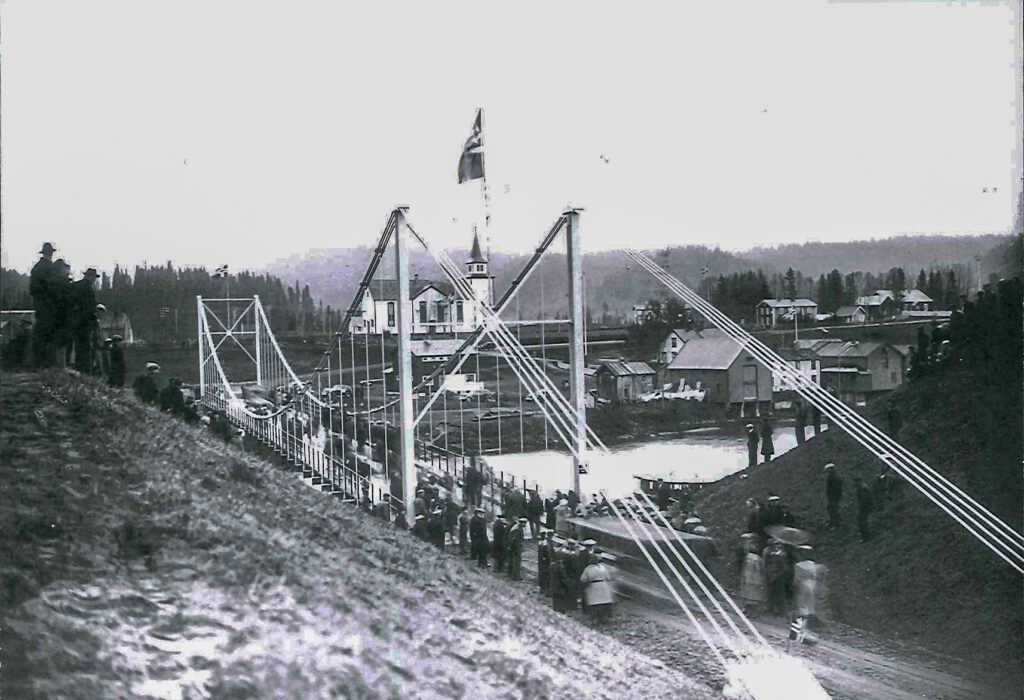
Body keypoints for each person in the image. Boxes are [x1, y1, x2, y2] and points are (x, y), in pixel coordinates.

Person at [30, 242, 57, 368]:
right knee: (50, 335)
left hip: (39, 305)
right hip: (50, 306)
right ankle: (47, 364)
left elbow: (32, 289)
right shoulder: (51, 268)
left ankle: (38, 363)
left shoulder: (36, 268)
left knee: (40, 334)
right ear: (51, 253)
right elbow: (54, 288)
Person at [71, 268, 100, 373]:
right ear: (88, 277)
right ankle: (84, 369)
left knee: (79, 346)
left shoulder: (76, 285)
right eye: (93, 277)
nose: (93, 280)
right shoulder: (88, 289)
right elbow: (88, 308)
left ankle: (80, 366)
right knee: (85, 346)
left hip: (76, 321)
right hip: (85, 322)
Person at [580, 550, 615, 621]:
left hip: (593, 586)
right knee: (604, 601)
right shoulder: (603, 568)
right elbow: (608, 578)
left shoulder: (588, 569)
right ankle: (605, 617)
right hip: (603, 585)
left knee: (595, 602)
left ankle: (595, 617)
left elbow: (583, 579)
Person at [738, 533, 766, 614]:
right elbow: (761, 569)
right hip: (754, 577)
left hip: (750, 577)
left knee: (750, 593)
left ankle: (750, 610)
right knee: (752, 593)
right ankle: (750, 610)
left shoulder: (750, 558)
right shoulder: (757, 559)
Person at [763, 539, 791, 616]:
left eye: (779, 544)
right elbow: (766, 561)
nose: (778, 546)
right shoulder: (769, 552)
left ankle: (780, 610)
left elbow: (784, 565)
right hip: (771, 573)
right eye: (776, 544)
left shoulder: (783, 553)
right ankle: (770, 608)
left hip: (780, 575)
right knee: (770, 592)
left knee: (780, 593)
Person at [549, 544, 573, 612]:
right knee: (561, 604)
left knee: (555, 603)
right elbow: (563, 579)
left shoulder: (552, 565)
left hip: (553, 587)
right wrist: (568, 583)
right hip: (561, 588)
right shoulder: (561, 567)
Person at [855, 478, 874, 543]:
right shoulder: (863, 487)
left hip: (865, 508)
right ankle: (865, 536)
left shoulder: (862, 489)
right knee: (863, 522)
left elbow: (864, 500)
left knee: (862, 522)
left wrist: (861, 508)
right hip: (866, 507)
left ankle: (865, 537)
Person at [825, 463, 842, 528]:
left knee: (833, 510)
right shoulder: (833, 476)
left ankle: (835, 524)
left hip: (833, 496)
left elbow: (836, 487)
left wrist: (833, 496)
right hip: (832, 496)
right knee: (831, 509)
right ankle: (832, 522)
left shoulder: (834, 477)